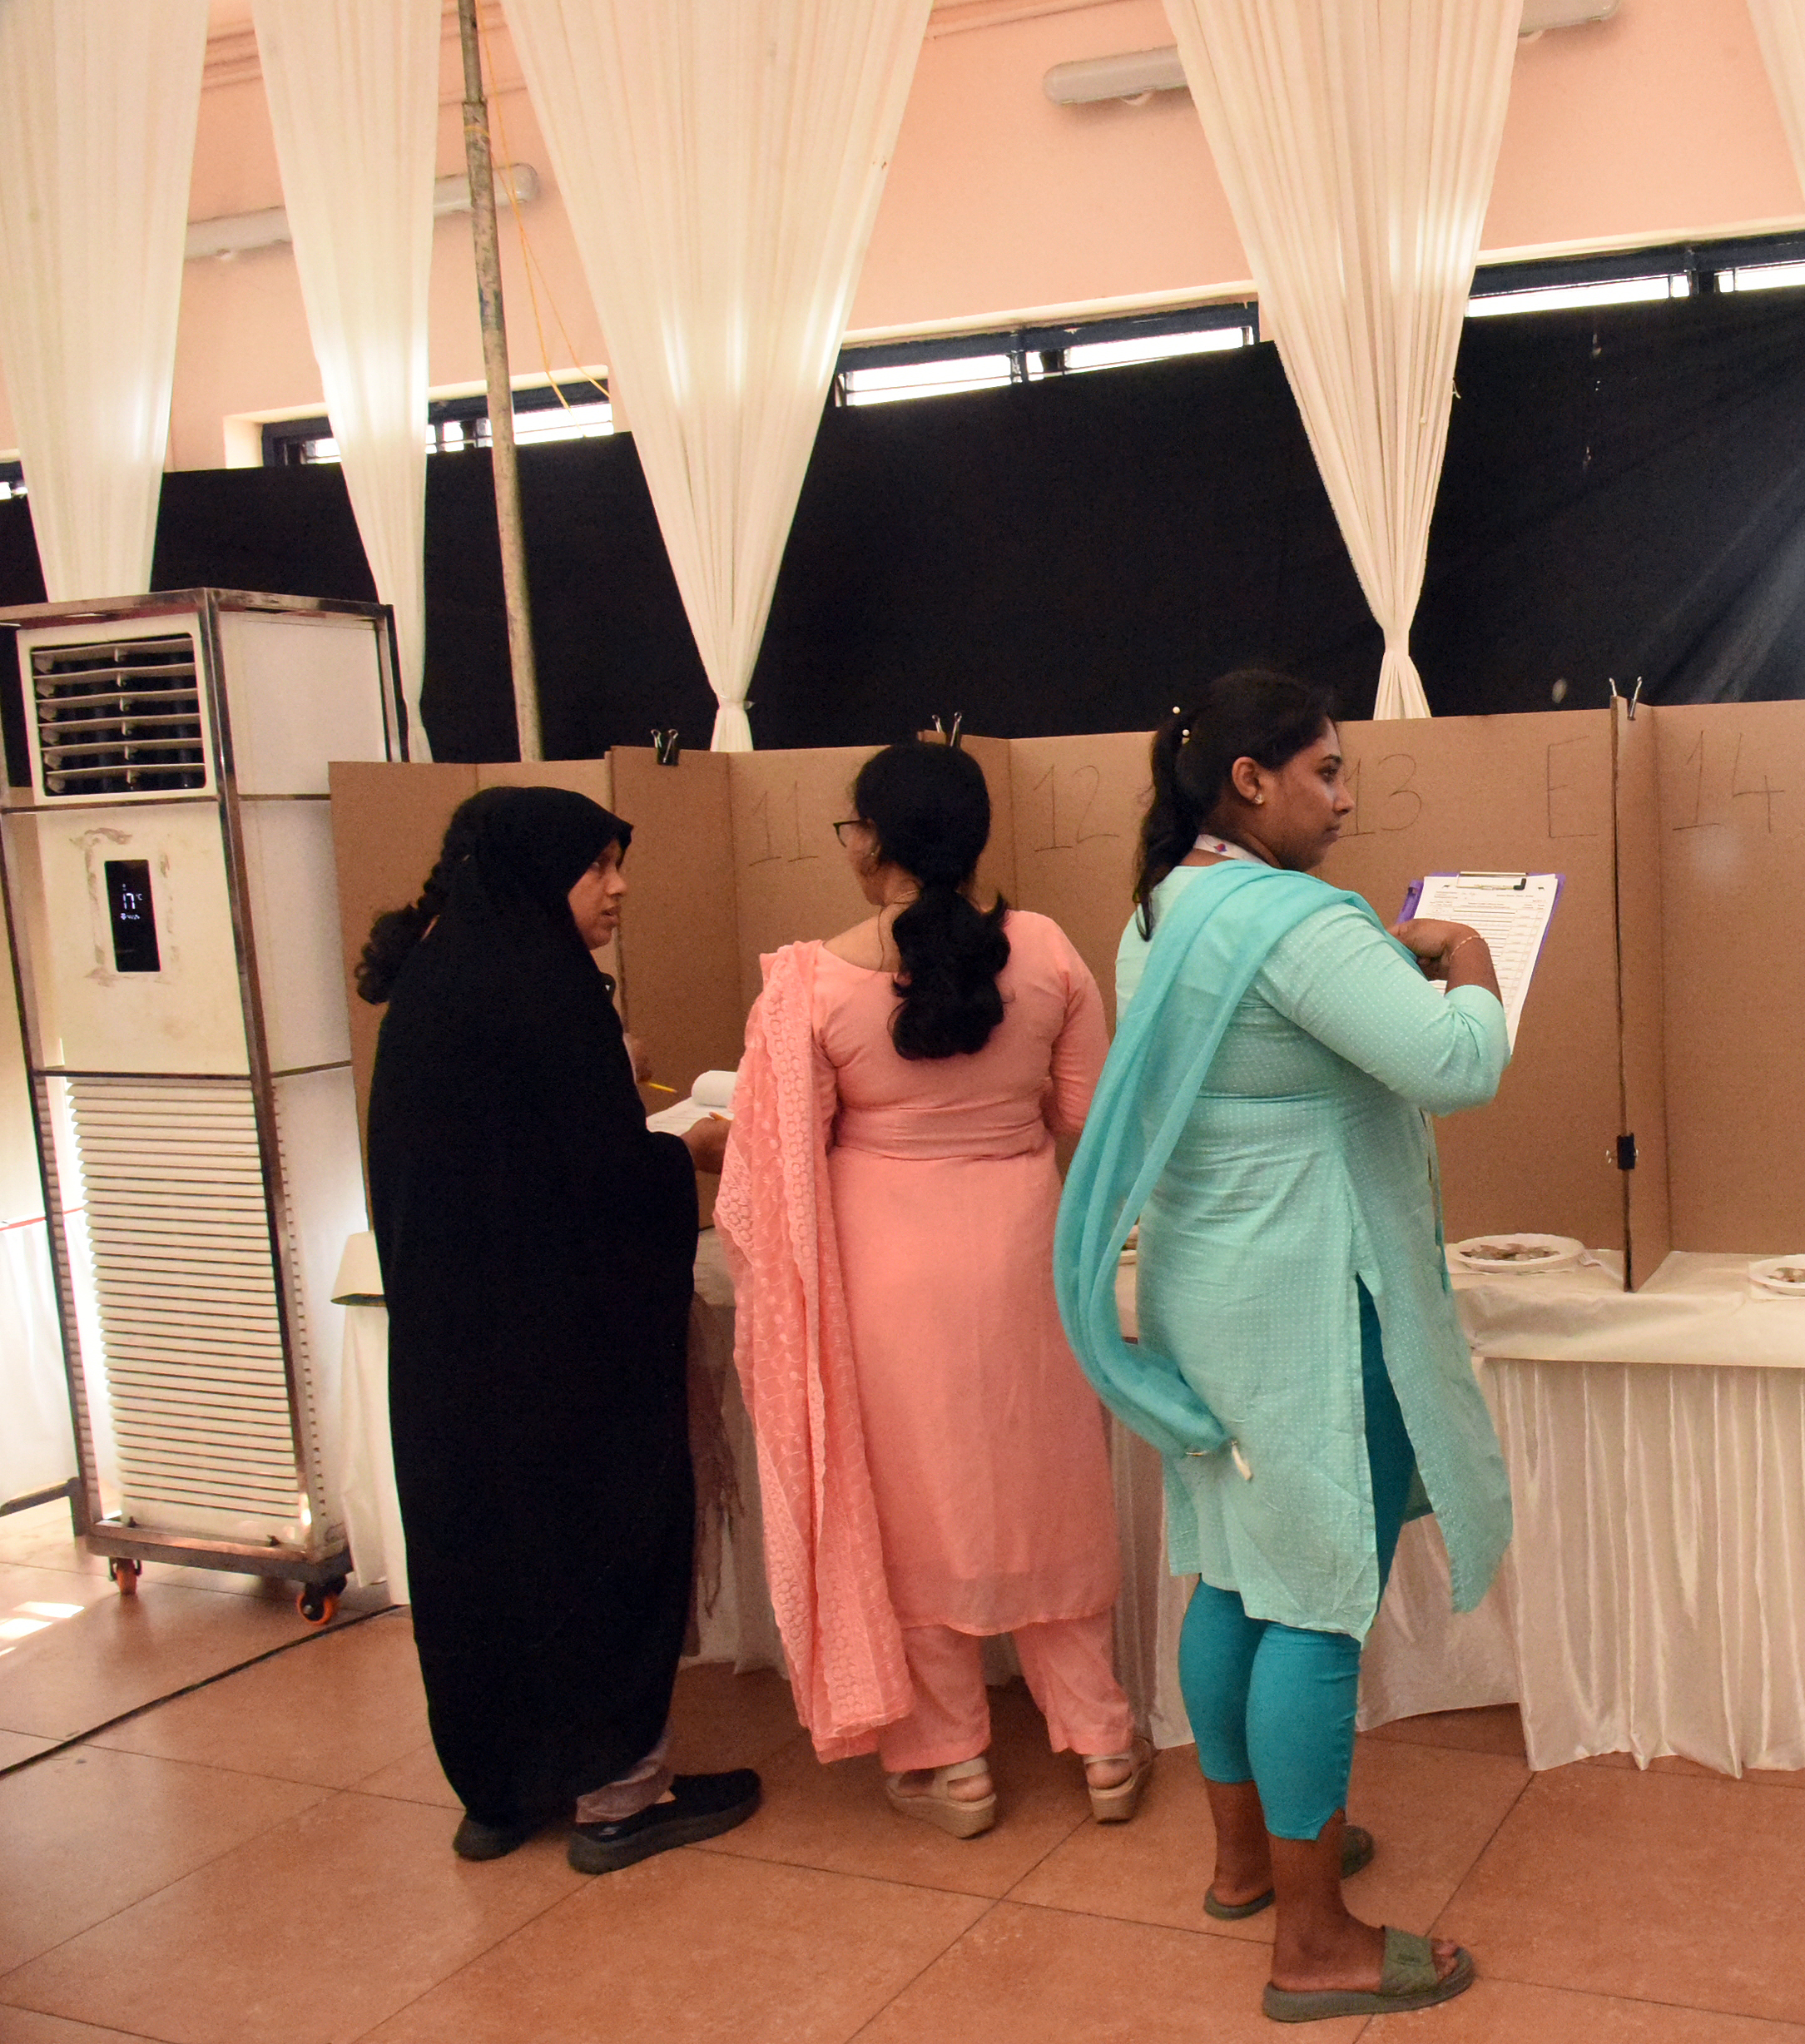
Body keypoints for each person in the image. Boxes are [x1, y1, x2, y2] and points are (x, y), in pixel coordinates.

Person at [1056, 668, 1512, 2024]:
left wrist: (1377, 956)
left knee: (1233, 1578)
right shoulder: (1295, 922)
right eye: (1323, 771)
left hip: (1211, 1288)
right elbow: (1455, 1066)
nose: (1346, 795)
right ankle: (1313, 1944)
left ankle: (1246, 1864)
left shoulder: (1164, 908)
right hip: (1315, 1294)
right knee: (1317, 1593)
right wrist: (1472, 965)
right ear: (1248, 780)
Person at [717, 741, 1146, 1834]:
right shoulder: (1045, 950)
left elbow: (777, 1166)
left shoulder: (810, 982)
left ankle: (953, 1764)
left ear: (871, 842)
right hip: (1024, 1253)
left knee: (911, 1507)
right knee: (1050, 1480)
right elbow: (1088, 1121)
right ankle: (1101, 1742)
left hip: (886, 1267)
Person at [361, 786, 758, 1875]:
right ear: (540, 876)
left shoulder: (430, 986)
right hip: (568, 1362)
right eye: (600, 867)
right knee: (597, 1545)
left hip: (450, 1355)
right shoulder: (548, 992)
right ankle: (620, 1797)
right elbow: (600, 1180)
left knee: (475, 1559)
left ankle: (496, 1792)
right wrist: (686, 1146)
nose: (620, 887)